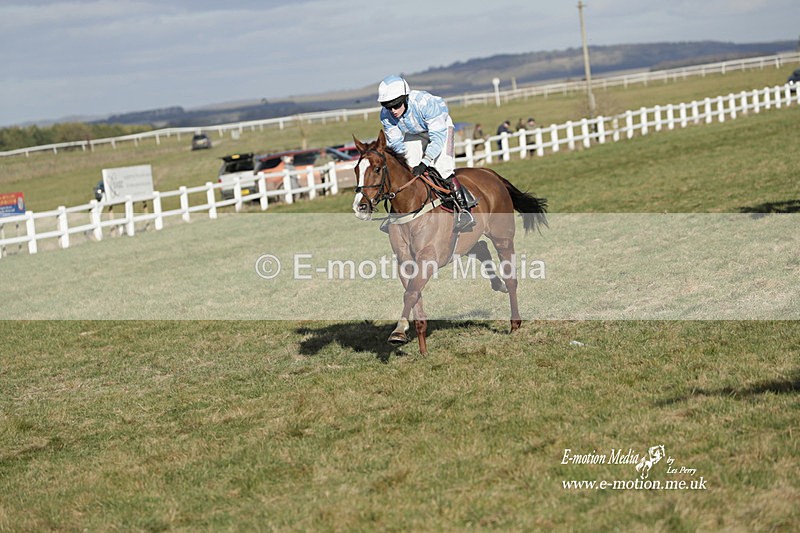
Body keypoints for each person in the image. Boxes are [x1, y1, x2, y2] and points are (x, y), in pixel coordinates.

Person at [377, 74, 476, 232]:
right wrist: (407, 164)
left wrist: (425, 162)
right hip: (414, 133)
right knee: (405, 169)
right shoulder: (386, 115)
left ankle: (464, 210)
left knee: (443, 168)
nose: (393, 111)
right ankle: (397, 213)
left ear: (405, 98)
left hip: (440, 129)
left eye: (396, 105)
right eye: (388, 106)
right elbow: (395, 144)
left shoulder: (425, 103)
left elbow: (437, 138)